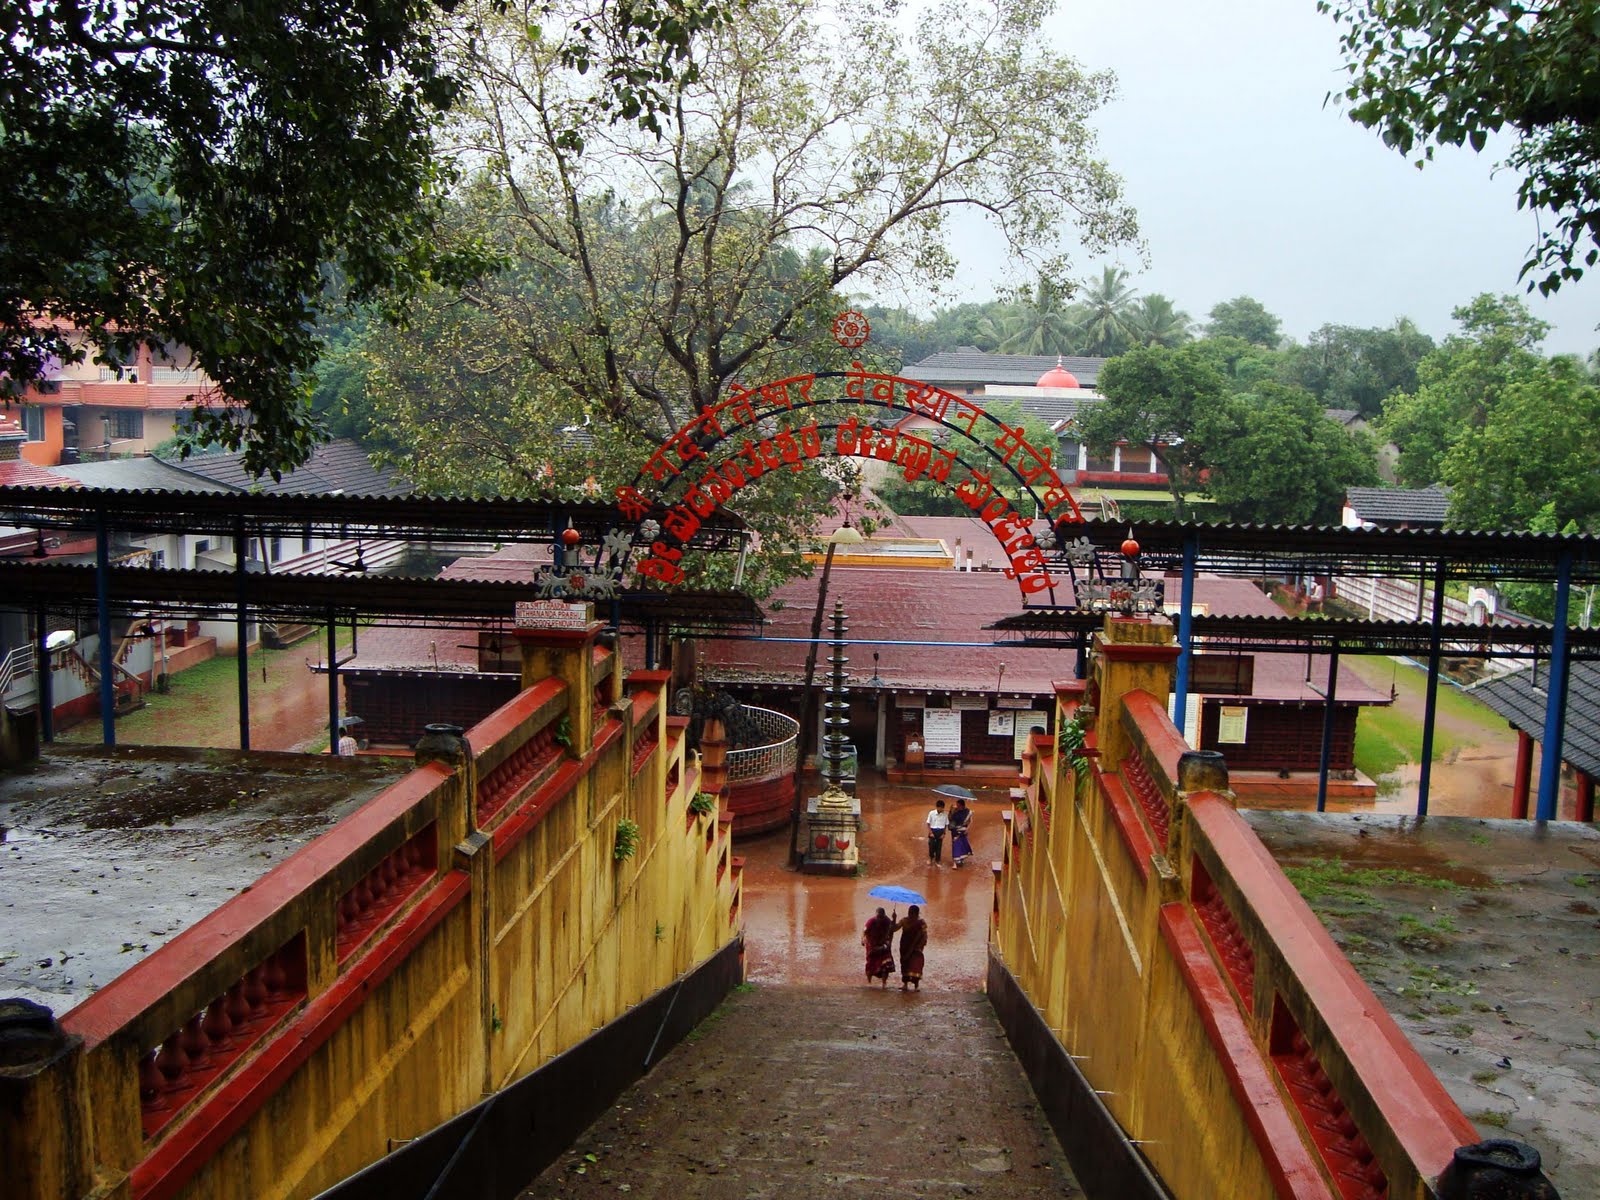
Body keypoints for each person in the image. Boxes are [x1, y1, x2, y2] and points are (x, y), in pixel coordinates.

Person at [862, 907, 895, 987]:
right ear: (876, 915)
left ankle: (884, 983)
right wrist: (863, 940)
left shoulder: (887, 921)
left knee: (886, 964)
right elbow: (864, 931)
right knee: (871, 964)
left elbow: (892, 930)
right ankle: (869, 982)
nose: (880, 919)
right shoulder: (871, 922)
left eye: (881, 917)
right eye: (878, 917)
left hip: (883, 944)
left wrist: (894, 919)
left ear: (884, 915)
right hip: (872, 945)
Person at [897, 905, 928, 991]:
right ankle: (905, 984)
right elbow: (895, 928)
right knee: (905, 964)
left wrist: (920, 946)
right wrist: (893, 919)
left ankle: (916, 986)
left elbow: (925, 935)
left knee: (915, 966)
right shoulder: (904, 921)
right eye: (909, 912)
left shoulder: (921, 923)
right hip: (904, 947)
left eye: (912, 913)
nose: (910, 914)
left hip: (916, 948)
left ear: (917, 913)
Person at [948, 797, 973, 867]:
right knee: (955, 845)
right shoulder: (954, 811)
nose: (957, 806)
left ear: (962, 806)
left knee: (962, 845)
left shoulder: (968, 812)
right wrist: (950, 811)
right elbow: (950, 819)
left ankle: (961, 860)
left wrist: (967, 829)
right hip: (955, 831)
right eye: (957, 805)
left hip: (963, 831)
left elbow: (971, 821)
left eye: (958, 805)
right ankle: (954, 863)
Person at [926, 798, 948, 865]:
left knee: (939, 847)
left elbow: (945, 825)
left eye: (942, 808)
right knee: (931, 846)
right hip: (933, 830)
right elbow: (928, 823)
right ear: (937, 807)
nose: (941, 809)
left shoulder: (945, 814)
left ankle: (937, 860)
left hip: (940, 831)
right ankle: (930, 858)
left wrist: (944, 833)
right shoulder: (931, 813)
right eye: (940, 808)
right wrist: (930, 832)